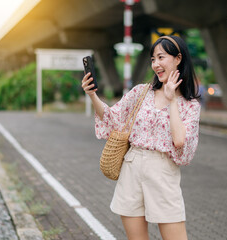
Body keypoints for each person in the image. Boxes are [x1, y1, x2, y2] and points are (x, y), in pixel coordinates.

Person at [81, 35, 200, 240]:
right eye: (153, 59)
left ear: (178, 58)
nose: (156, 64)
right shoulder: (141, 93)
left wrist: (171, 99)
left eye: (161, 57)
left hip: (163, 173)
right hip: (132, 167)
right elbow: (113, 118)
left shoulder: (190, 106)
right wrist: (92, 95)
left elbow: (180, 142)